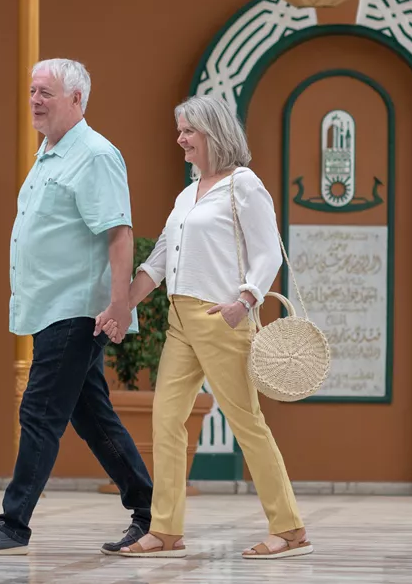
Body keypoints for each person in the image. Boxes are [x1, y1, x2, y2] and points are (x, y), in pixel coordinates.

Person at [0, 58, 154, 556]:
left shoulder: (95, 155)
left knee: (39, 411)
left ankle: (13, 523)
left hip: (77, 309)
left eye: (46, 92)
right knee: (91, 416)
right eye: (32, 91)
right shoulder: (50, 151)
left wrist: (119, 305)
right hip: (49, 308)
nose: (36, 101)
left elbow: (119, 233)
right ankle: (153, 511)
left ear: (77, 99)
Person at [108, 95, 311, 560]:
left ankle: (290, 529)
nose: (179, 138)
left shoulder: (244, 186)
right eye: (179, 130)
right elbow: (160, 258)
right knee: (166, 419)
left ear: (212, 133)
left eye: (187, 131)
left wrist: (246, 300)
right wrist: (122, 307)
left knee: (247, 423)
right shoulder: (188, 193)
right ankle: (166, 530)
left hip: (222, 319)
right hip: (180, 320)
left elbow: (267, 253)